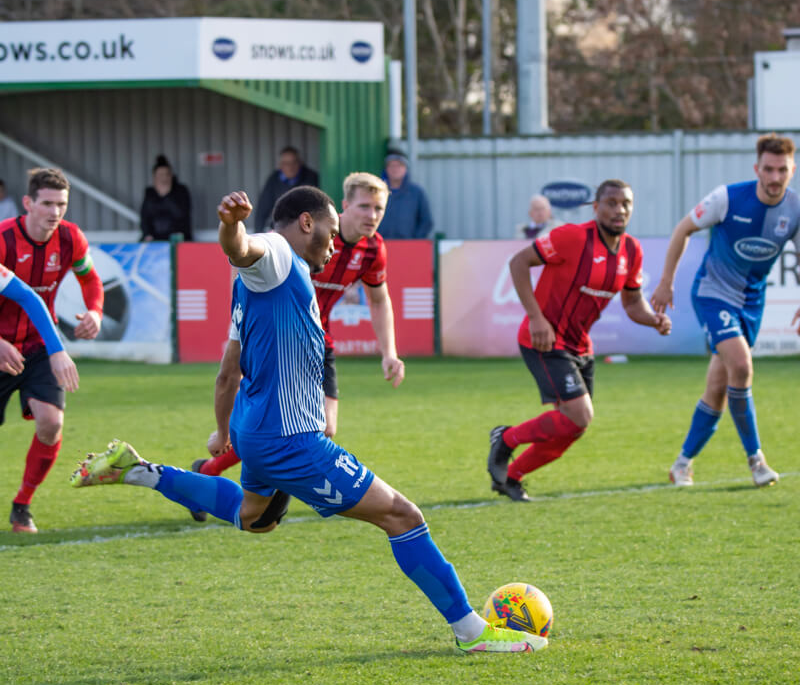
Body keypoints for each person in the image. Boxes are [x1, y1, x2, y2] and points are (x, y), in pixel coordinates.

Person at [71, 185, 544, 655]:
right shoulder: (277, 256)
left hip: (256, 433)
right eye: (332, 232)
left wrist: (223, 429)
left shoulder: (251, 289)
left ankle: (137, 470)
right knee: (403, 516)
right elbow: (242, 248)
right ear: (306, 223)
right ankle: (472, 633)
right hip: (291, 440)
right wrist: (231, 225)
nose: (335, 244)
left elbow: (226, 371)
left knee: (254, 518)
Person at [186, 172, 406, 518]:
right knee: (278, 420)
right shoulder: (304, 238)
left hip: (316, 341)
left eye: (379, 208)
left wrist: (389, 352)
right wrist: (241, 320)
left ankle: (222, 474)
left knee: (323, 426)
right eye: (364, 206)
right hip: (273, 338)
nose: (372, 215)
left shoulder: (373, 249)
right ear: (345, 206)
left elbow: (379, 301)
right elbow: (246, 259)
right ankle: (228, 475)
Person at [487, 179, 672, 501]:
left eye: (626, 203)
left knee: (574, 426)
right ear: (597, 207)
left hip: (580, 346)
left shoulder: (631, 250)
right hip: (543, 340)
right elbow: (518, 262)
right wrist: (536, 318)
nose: (620, 209)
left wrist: (653, 319)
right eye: (612, 202)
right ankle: (506, 439)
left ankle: (511, 478)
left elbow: (632, 304)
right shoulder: (572, 237)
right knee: (580, 414)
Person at [651, 132, 800, 488]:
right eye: (769, 169)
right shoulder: (727, 198)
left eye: (783, 170)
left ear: (792, 170)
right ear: (757, 168)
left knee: (719, 387)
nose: (775, 177)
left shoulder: (795, 208)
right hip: (713, 293)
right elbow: (682, 230)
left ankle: (682, 463)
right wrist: (666, 282)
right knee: (742, 365)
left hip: (751, 303)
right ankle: (757, 461)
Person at [1, 167, 101, 532]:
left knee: (51, 423)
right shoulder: (2, 240)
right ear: (28, 203)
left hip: (37, 345)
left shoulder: (71, 239)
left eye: (61, 204)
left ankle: (22, 505)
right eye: (47, 203)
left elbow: (87, 281)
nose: (54, 211)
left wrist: (94, 312)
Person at [254, 146, 319, 232]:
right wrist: (258, 234)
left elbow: (317, 208)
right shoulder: (273, 180)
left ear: (300, 163)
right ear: (280, 165)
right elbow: (262, 209)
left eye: (294, 162)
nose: (290, 167)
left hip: (305, 228)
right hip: (280, 227)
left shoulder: (311, 177)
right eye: (286, 163)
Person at [378, 149, 433, 240]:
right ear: (386, 169)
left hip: (408, 247)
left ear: (405, 168)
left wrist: (415, 241)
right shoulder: (377, 192)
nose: (395, 169)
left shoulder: (417, 193)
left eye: (399, 165)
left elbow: (426, 221)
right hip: (380, 245)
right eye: (391, 165)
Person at [140, 154, 193, 241]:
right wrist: (147, 234)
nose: (164, 178)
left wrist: (166, 195)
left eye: (166, 175)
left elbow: (182, 215)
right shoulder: (150, 193)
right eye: (160, 175)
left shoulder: (181, 191)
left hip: (177, 236)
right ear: (155, 177)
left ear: (171, 176)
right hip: (155, 237)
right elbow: (145, 217)